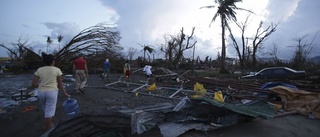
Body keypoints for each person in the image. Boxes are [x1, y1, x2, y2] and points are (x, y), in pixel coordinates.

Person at [32, 53, 71, 131]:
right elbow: (60, 84)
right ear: (53, 61)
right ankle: (48, 130)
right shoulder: (57, 70)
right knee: (49, 113)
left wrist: (40, 86)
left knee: (46, 110)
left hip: (41, 92)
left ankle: (49, 124)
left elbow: (34, 84)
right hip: (52, 92)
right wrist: (65, 93)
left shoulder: (39, 70)